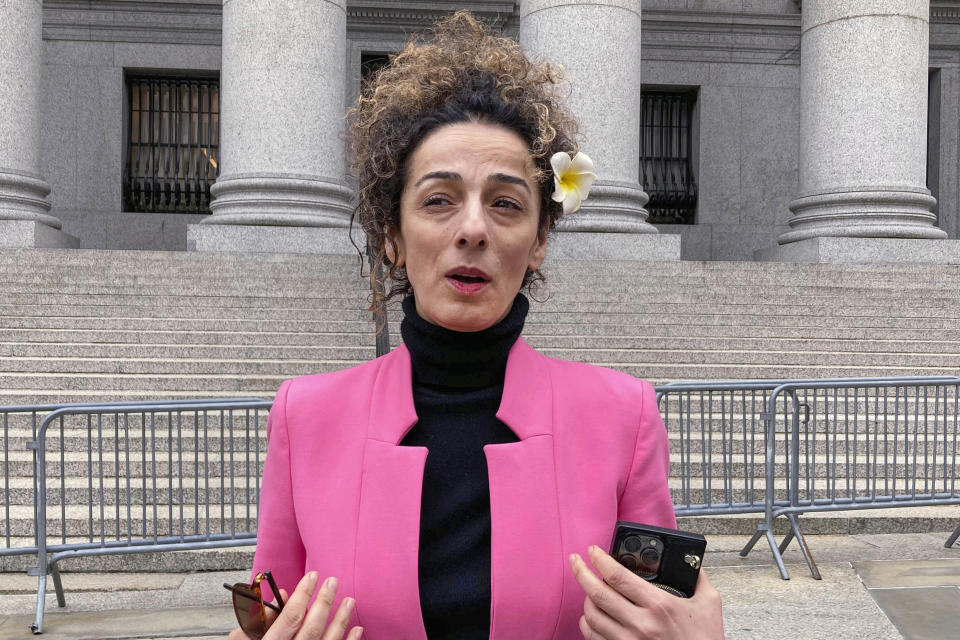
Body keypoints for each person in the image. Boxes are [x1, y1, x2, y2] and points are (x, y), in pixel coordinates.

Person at [228, 10, 723, 640]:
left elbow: (658, 615)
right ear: (391, 235)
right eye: (439, 199)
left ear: (539, 238)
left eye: (506, 203)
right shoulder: (306, 414)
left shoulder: (622, 417)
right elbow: (265, 617)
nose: (472, 229)